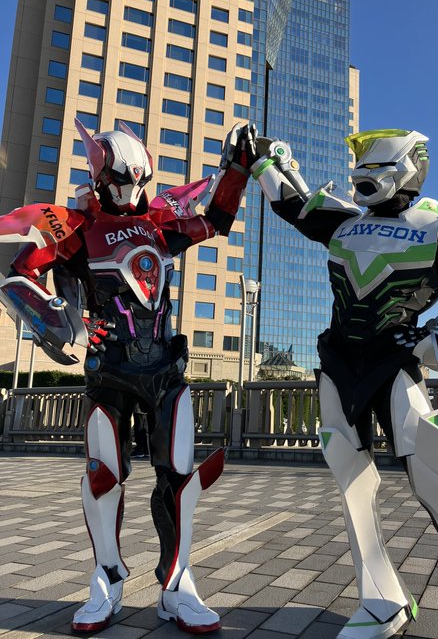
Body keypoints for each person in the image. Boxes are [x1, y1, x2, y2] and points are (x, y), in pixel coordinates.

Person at [250, 129, 438, 639]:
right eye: (361, 170)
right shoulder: (344, 222)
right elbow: (292, 202)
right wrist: (263, 162)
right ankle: (380, 600)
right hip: (338, 360)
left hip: (395, 360)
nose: (363, 178)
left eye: (375, 169)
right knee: (350, 480)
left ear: (408, 169)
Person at [0, 120, 256, 634]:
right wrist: (61, 319)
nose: (129, 188)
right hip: (110, 369)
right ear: (101, 177)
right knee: (103, 477)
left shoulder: (160, 224)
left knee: (179, 477)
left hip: (164, 367)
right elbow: (19, 272)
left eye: (137, 179)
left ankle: (177, 584)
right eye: (120, 178)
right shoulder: (74, 227)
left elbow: (216, 220)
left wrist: (238, 169)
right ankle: (107, 579)